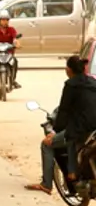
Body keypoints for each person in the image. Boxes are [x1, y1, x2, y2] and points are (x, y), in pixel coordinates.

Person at [27, 55, 96, 194]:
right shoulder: (93, 83)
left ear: (68, 70)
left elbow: (64, 111)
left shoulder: (70, 85)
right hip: (93, 129)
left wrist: (54, 132)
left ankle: (46, 184)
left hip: (79, 129)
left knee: (46, 144)